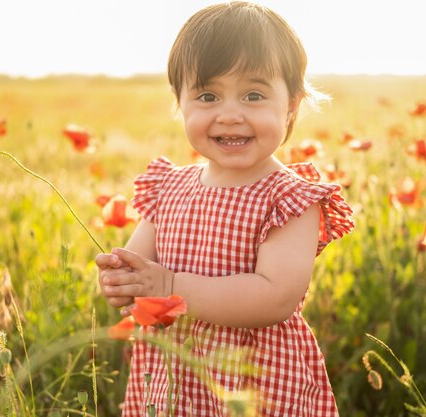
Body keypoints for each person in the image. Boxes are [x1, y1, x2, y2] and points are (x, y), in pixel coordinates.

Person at [96, 2, 354, 416]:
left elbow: (274, 297)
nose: (230, 114)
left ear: (292, 104)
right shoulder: (169, 187)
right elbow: (139, 266)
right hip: (175, 375)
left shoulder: (289, 199)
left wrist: (168, 287)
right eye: (208, 95)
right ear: (180, 103)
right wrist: (122, 280)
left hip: (256, 382)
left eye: (253, 95)